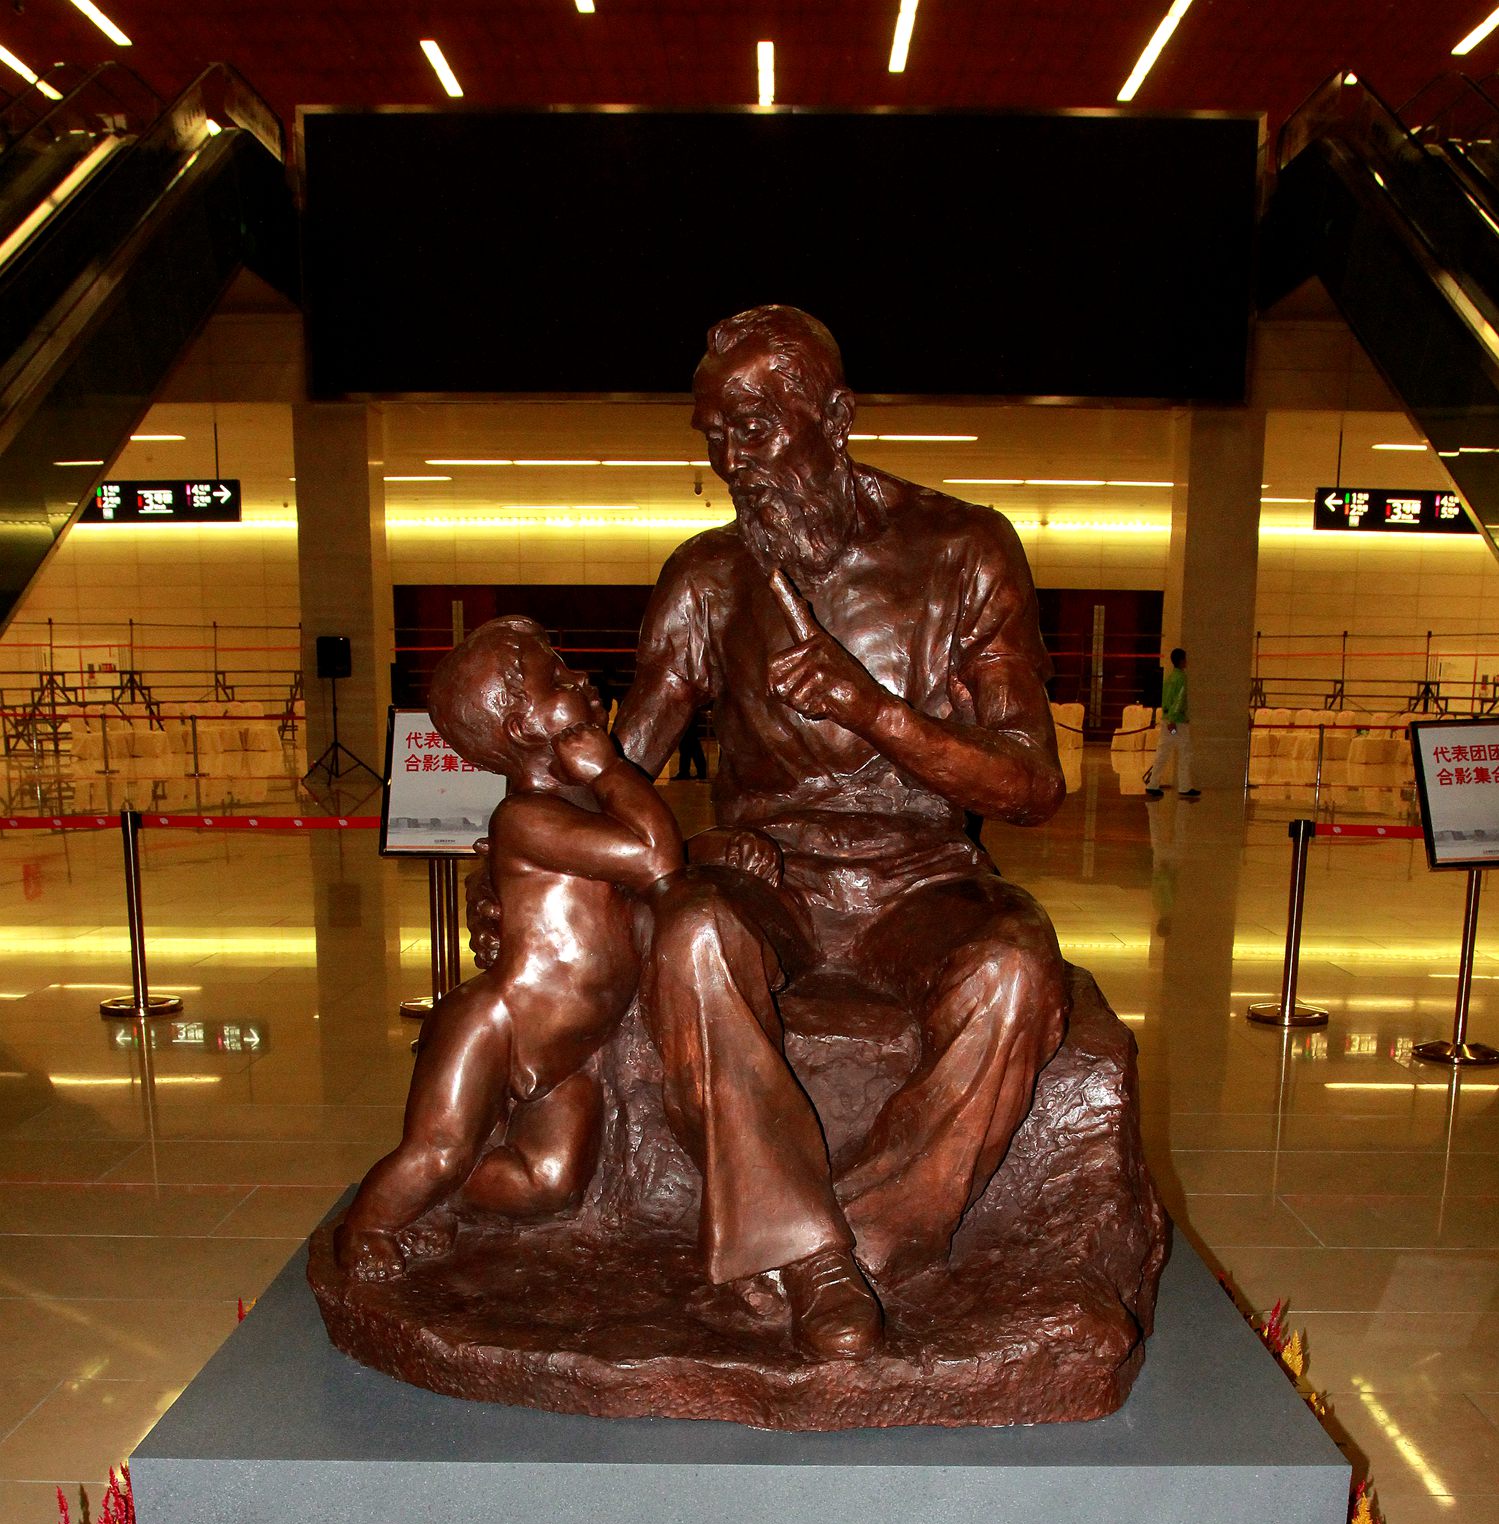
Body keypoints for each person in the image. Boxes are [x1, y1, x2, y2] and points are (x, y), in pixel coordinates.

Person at [597, 304, 1068, 1362]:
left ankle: (858, 1244)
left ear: (838, 419)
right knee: (690, 931)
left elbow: (1032, 785)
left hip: (924, 879)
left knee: (1014, 969)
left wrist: (875, 711)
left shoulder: (965, 550)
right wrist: (537, 843)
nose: (733, 464)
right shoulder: (707, 579)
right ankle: (813, 1265)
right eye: (715, 438)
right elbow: (619, 770)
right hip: (769, 877)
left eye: (755, 429)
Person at [337, 617, 683, 1281]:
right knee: (437, 1150)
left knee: (548, 1182)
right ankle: (369, 1224)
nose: (582, 679)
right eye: (558, 679)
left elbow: (656, 876)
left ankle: (449, 1194)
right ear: (524, 728)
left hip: (569, 1045)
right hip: (502, 1022)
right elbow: (655, 859)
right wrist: (610, 768)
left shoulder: (583, 806)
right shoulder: (525, 818)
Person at [1145, 647, 1199, 799]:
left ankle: (1153, 784)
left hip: (1167, 722)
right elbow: (1179, 699)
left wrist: (1169, 719)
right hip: (1177, 724)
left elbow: (1166, 700)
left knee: (1163, 752)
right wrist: (1174, 720)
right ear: (1181, 660)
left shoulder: (1169, 678)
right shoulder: (1181, 678)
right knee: (1184, 752)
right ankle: (1185, 786)